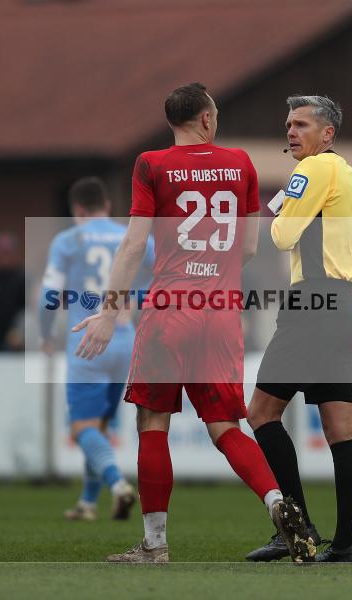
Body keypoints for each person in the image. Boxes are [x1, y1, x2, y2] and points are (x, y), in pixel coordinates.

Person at [73, 83, 314, 563]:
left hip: (169, 309)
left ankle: (155, 544)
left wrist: (107, 309)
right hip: (222, 312)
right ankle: (277, 504)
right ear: (206, 119)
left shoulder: (151, 164)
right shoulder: (241, 163)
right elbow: (247, 247)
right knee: (226, 427)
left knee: (152, 423)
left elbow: (134, 244)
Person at [246, 95, 352, 563]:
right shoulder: (351, 175)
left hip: (313, 299)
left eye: (300, 124)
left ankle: (295, 528)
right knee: (340, 429)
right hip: (346, 302)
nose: (291, 132)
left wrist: (278, 208)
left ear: (327, 134)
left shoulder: (314, 171)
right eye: (288, 124)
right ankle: (344, 545)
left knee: (260, 412)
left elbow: (280, 235)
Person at [39, 176, 152, 522]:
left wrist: (46, 335)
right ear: (107, 206)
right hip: (127, 340)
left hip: (87, 341)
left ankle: (118, 485)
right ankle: (88, 502)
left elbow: (48, 296)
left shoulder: (68, 241)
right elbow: (161, 280)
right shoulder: (133, 237)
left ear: (77, 210)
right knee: (100, 427)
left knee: (82, 428)